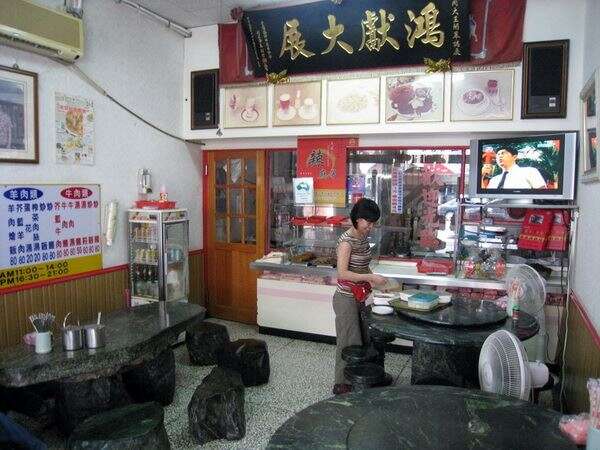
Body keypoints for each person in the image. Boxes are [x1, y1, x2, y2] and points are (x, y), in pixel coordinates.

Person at [332, 198, 386, 395]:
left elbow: (363, 266)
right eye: (368, 222)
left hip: (360, 295)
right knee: (349, 340)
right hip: (346, 298)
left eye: (373, 223)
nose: (371, 227)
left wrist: (375, 282)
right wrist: (371, 277)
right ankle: (342, 382)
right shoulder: (346, 242)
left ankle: (360, 379)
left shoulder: (362, 239)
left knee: (364, 339)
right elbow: (342, 274)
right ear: (357, 219)